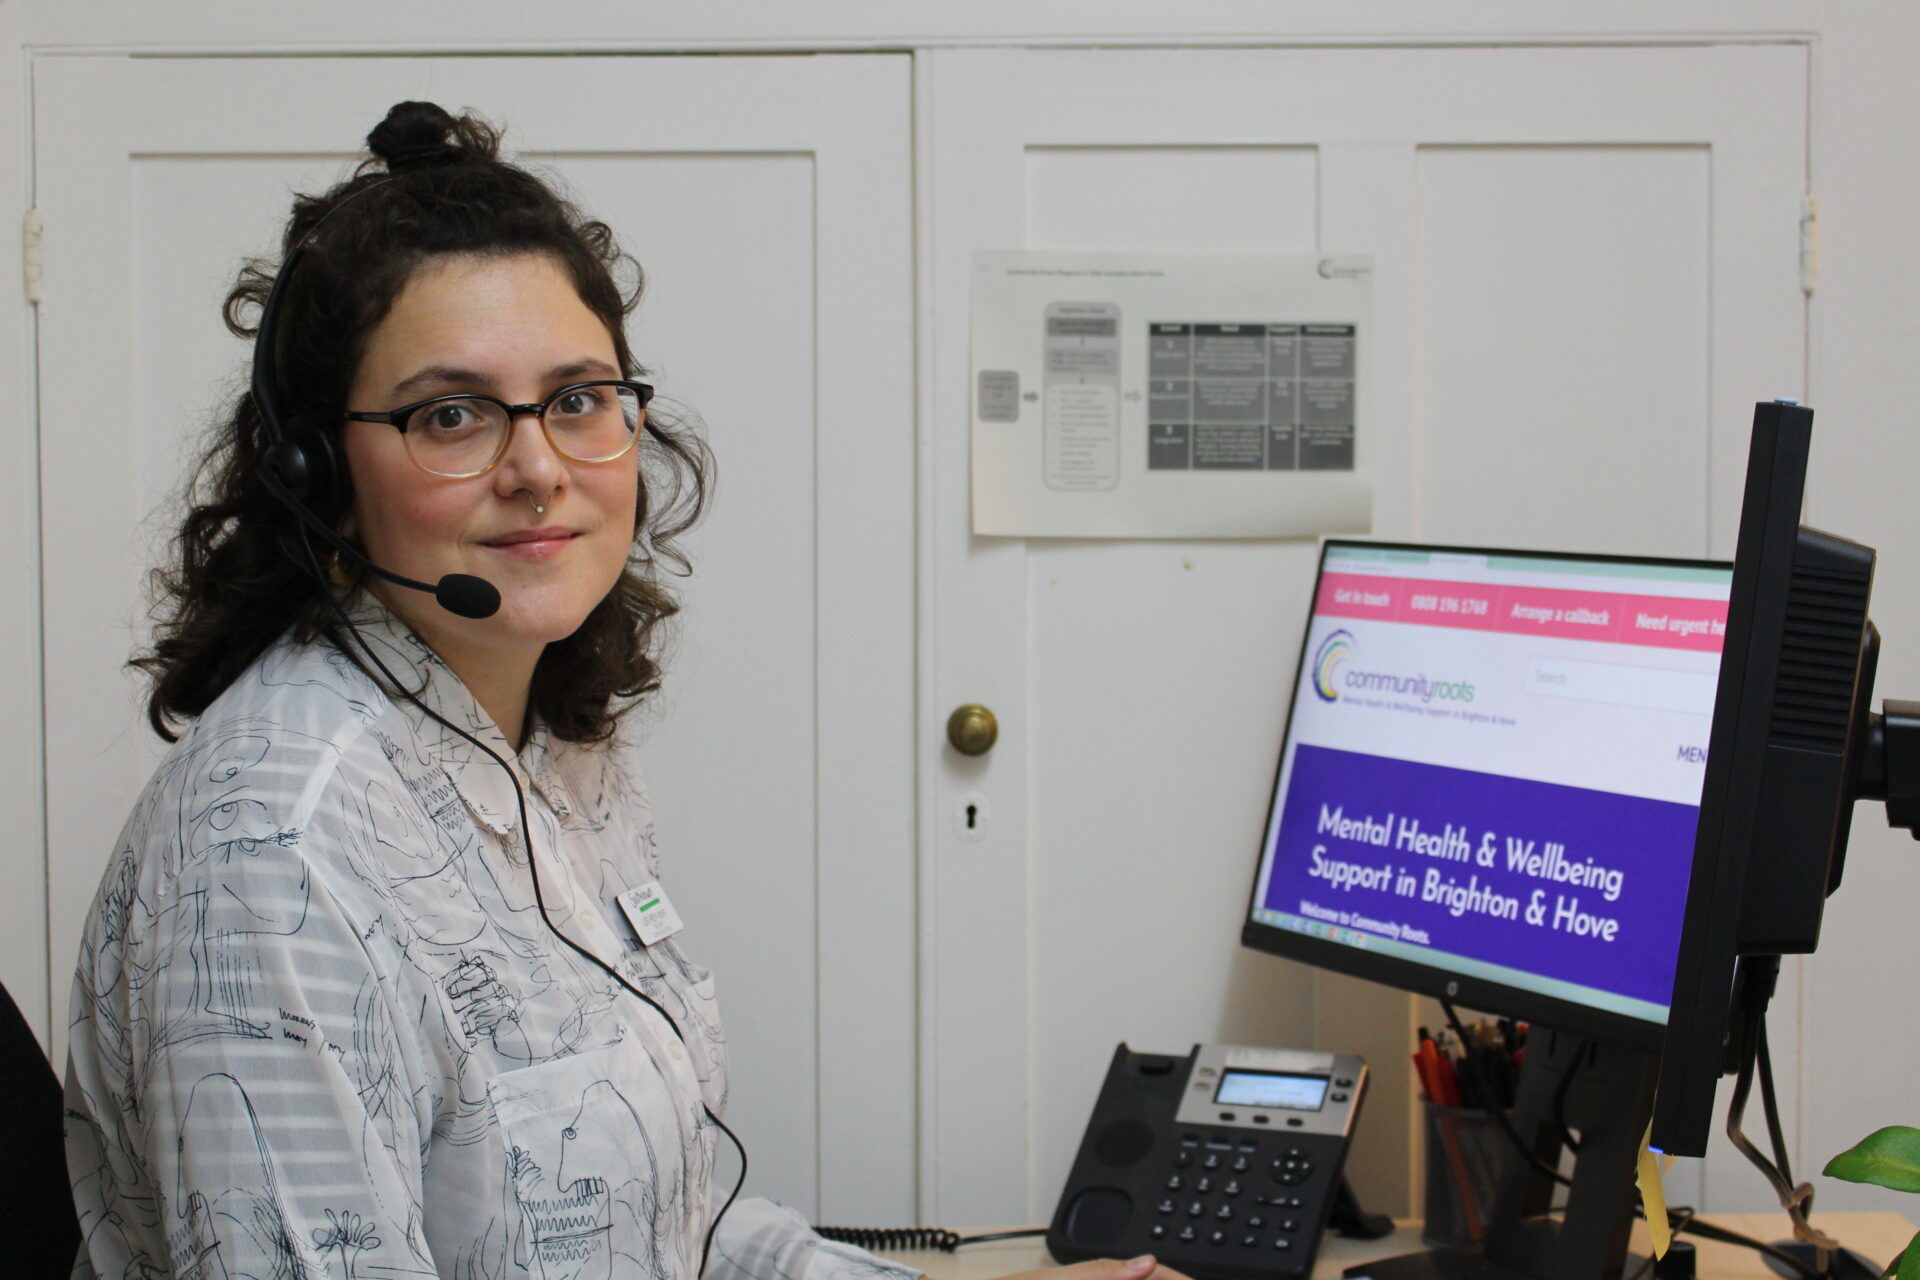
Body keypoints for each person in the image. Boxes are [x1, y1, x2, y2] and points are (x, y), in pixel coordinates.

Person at [61, 101, 1184, 1280]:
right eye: (452, 414)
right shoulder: (276, 847)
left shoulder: (552, 750)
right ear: (320, 474)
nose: (539, 466)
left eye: (579, 398)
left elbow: (674, 1223)